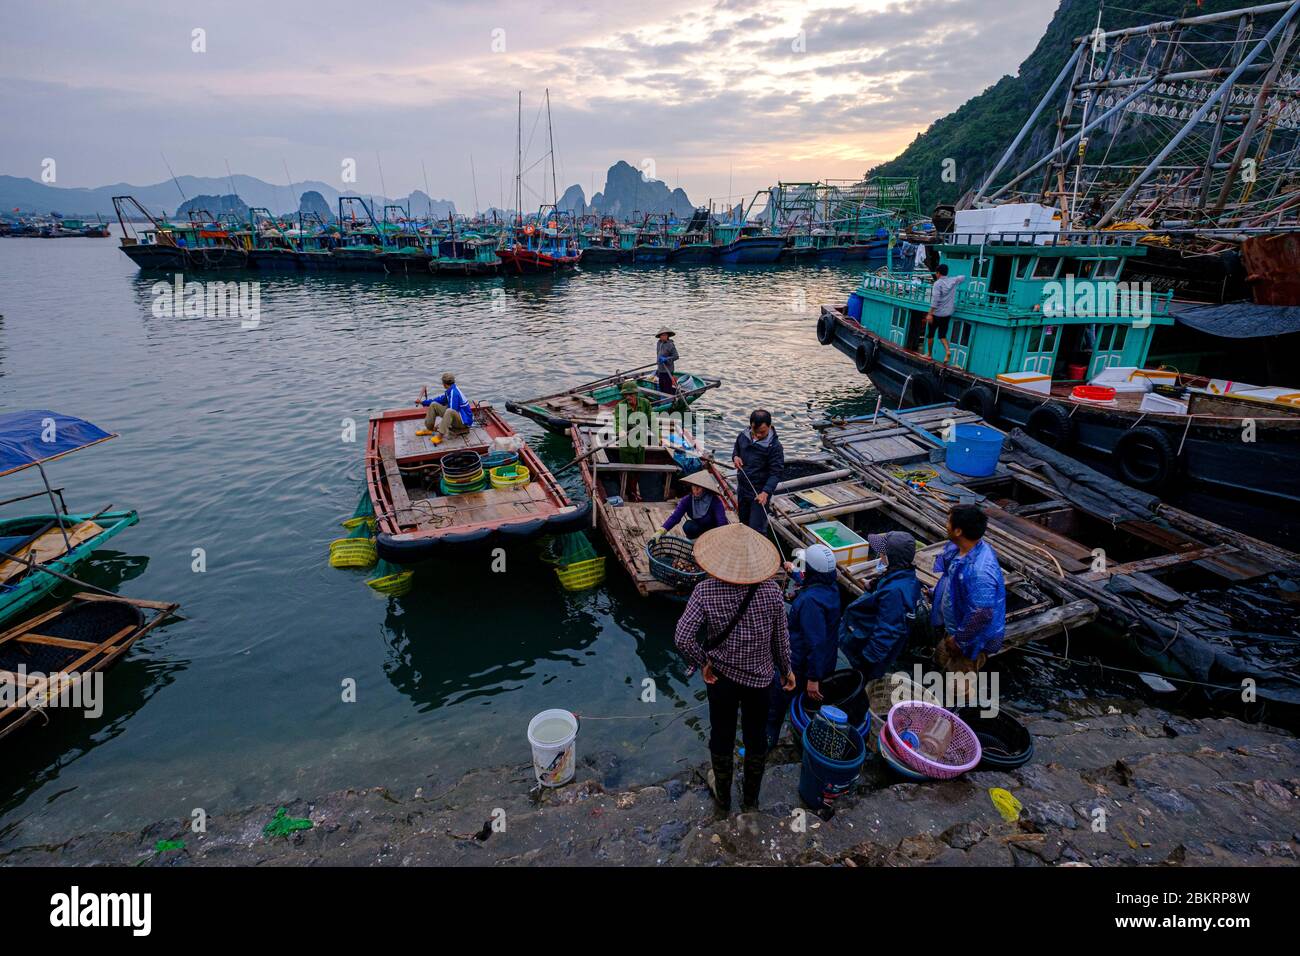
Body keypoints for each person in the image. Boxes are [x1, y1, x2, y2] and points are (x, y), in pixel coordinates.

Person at [674, 524, 795, 812]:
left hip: (721, 678)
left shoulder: (705, 590)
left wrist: (702, 661)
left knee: (722, 733)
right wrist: (786, 669)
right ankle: (751, 799)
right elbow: (780, 638)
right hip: (761, 680)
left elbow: (682, 637)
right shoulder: (771, 592)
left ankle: (724, 797)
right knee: (755, 736)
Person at [767, 543, 841, 748]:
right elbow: (812, 583)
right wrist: (794, 574)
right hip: (825, 661)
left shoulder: (810, 602)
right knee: (805, 703)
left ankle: (769, 737)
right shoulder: (831, 587)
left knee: (777, 699)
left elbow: (815, 643)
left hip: (801, 666)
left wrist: (813, 679)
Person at [931, 505, 1006, 688]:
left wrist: (959, 640)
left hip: (969, 639)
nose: (945, 525)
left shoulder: (980, 572)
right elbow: (953, 581)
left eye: (948, 521)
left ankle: (953, 711)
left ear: (958, 531)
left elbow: (982, 613)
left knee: (958, 686)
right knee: (940, 663)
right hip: (954, 625)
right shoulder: (960, 550)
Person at [839, 531, 922, 679]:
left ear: (891, 558)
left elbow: (888, 630)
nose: (880, 555)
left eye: (883, 553)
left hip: (863, 646)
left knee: (855, 678)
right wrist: (873, 585)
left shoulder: (895, 592)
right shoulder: (904, 575)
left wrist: (867, 660)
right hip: (861, 631)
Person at [731, 409, 784, 535]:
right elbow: (736, 449)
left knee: (757, 529)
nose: (758, 435)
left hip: (759, 493)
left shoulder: (775, 447)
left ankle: (759, 552)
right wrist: (735, 457)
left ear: (769, 426)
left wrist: (765, 492)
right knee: (743, 523)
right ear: (751, 426)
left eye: (762, 432)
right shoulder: (743, 435)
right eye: (755, 432)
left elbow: (776, 473)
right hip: (743, 489)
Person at [656, 470, 725, 540]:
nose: (696, 490)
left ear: (704, 488)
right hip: (699, 528)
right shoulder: (687, 500)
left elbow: (721, 521)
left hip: (714, 530)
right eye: (694, 487)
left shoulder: (715, 501)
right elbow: (675, 517)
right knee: (688, 526)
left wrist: (719, 537)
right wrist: (661, 530)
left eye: (699, 487)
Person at [614, 379, 652, 501]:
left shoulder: (645, 403)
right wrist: (620, 431)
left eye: (631, 394)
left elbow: (652, 420)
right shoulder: (621, 406)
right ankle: (631, 493)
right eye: (626, 395)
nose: (628, 397)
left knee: (638, 469)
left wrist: (659, 435)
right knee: (629, 471)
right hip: (627, 445)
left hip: (640, 443)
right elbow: (618, 422)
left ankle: (634, 490)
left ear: (636, 394)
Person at [924, 264, 967, 364]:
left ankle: (929, 354)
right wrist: (956, 279)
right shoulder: (953, 280)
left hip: (937, 313)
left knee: (930, 334)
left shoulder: (937, 284)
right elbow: (963, 277)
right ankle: (947, 351)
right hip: (947, 313)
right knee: (942, 335)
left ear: (938, 273)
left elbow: (935, 300)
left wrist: (930, 314)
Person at [418, 372, 473, 441]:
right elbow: (439, 399)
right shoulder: (450, 390)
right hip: (457, 416)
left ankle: (439, 436)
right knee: (433, 405)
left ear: (444, 383)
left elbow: (452, 411)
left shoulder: (454, 393)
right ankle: (429, 429)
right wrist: (423, 402)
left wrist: (439, 425)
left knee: (449, 411)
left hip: (464, 422)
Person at [655, 328, 678, 395]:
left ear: (668, 336)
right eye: (662, 335)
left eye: (665, 335)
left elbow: (676, 356)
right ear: (660, 336)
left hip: (668, 370)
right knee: (661, 386)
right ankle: (662, 398)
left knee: (667, 388)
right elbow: (658, 354)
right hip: (661, 369)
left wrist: (666, 359)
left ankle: (669, 400)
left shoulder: (670, 345)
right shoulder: (659, 343)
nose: (664, 336)